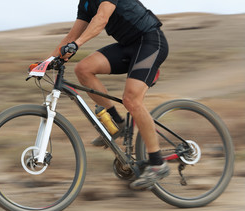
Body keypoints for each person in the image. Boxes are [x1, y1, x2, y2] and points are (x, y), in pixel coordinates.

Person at [46, 0, 170, 189]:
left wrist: (76, 45)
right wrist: (45, 64)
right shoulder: (85, 4)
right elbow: (71, 36)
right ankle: (117, 122)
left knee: (131, 99)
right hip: (128, 46)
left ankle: (157, 163)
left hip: (150, 41)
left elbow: (101, 19)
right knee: (83, 69)